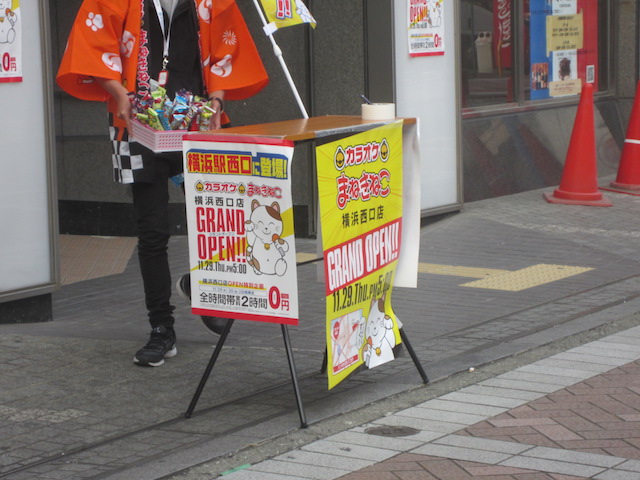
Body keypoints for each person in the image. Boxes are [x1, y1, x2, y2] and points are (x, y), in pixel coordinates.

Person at [56, 0, 268, 367]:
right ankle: (161, 328)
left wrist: (217, 101)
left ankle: (204, 286)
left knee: (220, 218)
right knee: (152, 232)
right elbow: (93, 47)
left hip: (198, 121)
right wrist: (118, 93)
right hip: (136, 123)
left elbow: (226, 52)